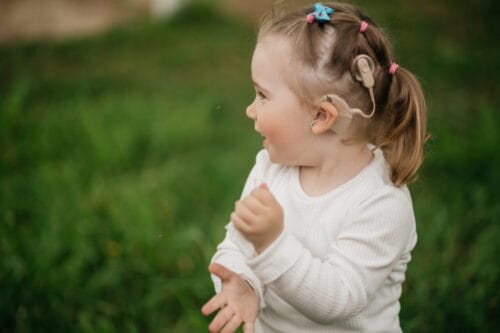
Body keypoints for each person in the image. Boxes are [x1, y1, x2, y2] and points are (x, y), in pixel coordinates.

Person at [201, 2, 427, 332]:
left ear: (322, 116)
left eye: (262, 95)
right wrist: (242, 282)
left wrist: (273, 244)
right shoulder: (270, 170)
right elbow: (236, 244)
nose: (250, 110)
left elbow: (339, 299)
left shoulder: (381, 202)